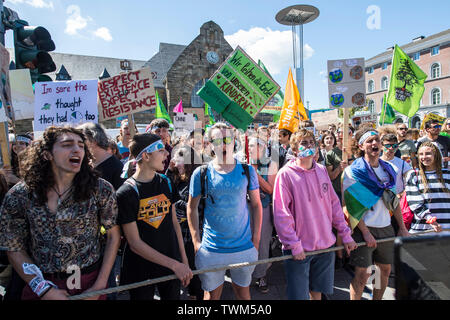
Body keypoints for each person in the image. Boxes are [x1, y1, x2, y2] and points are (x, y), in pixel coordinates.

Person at [0, 126, 121, 300]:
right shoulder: (20, 195)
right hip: (42, 283)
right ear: (47, 154)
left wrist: (100, 284)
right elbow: (13, 247)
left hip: (89, 283)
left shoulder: (100, 189)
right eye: (67, 144)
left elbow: (113, 236)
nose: (77, 149)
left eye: (81, 145)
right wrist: (42, 289)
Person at [273, 129, 357, 300]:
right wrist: (293, 245)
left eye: (312, 142)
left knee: (317, 293)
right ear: (295, 150)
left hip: (325, 246)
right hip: (299, 249)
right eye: (304, 143)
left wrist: (345, 234)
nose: (309, 146)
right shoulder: (285, 174)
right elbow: (282, 214)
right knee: (298, 297)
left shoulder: (321, 170)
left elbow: (334, 205)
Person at [187, 122, 262, 300]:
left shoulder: (247, 170)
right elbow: (191, 207)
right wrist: (196, 243)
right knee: (212, 296)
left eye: (227, 138)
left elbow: (257, 205)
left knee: (243, 294)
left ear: (234, 140)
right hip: (212, 249)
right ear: (210, 143)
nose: (223, 143)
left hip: (243, 247)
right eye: (217, 140)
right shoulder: (201, 173)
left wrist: (256, 241)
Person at [116, 133, 192, 300]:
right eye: (161, 150)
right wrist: (176, 264)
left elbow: (174, 223)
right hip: (141, 269)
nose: (167, 154)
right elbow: (134, 243)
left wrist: (183, 260)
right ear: (145, 155)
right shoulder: (126, 193)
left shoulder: (166, 182)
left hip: (172, 264)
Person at [343, 128, 410, 300]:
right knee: (363, 274)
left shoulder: (390, 169)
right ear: (361, 145)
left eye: (377, 140)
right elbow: (351, 207)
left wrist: (401, 227)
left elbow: (393, 201)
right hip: (363, 228)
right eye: (369, 141)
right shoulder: (353, 171)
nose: (374, 144)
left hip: (385, 226)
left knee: (383, 270)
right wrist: (365, 233)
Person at [165, 144, 204, 300]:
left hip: (192, 234)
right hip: (180, 233)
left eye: (178, 159)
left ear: (188, 162)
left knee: (195, 272)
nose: (174, 162)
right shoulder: (178, 179)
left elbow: (192, 207)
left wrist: (174, 203)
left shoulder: (197, 180)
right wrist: (169, 169)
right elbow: (166, 190)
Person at [248, 137, 278, 294]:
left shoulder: (270, 164)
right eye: (250, 145)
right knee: (247, 242)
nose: (252, 148)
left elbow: (271, 189)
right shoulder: (243, 163)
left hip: (263, 208)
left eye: (255, 145)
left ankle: (261, 276)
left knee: (262, 242)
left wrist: (255, 176)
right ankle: (246, 275)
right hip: (245, 209)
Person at [405, 142, 447, 234]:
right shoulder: (414, 175)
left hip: (447, 229)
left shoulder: (447, 174)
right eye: (421, 154)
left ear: (435, 155)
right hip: (422, 230)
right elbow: (415, 203)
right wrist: (431, 220)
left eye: (428, 153)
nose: (424, 157)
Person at [78, 123, 124, 191]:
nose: (78, 145)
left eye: (82, 140)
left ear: (93, 140)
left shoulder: (116, 167)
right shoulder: (87, 164)